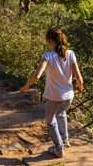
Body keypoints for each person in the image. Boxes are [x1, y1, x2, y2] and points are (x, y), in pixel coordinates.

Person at [19, 27, 83, 158]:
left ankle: (59, 147)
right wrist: (80, 86)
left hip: (54, 97)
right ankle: (65, 140)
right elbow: (79, 77)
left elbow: (37, 76)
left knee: (50, 121)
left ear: (48, 41)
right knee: (61, 113)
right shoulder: (70, 53)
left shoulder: (47, 56)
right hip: (69, 96)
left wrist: (25, 88)